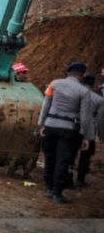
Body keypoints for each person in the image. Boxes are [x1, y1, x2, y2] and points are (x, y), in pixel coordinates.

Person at [38, 62, 93, 203]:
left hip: (50, 126)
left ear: (69, 73)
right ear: (81, 75)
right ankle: (57, 194)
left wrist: (42, 124)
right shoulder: (84, 91)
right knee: (62, 161)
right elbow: (85, 116)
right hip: (68, 130)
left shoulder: (54, 84)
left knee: (49, 158)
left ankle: (48, 188)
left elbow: (46, 106)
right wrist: (86, 136)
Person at [75, 74, 103, 187]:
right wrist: (101, 134)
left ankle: (67, 176)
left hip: (74, 126)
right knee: (86, 156)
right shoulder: (99, 99)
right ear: (93, 84)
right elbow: (101, 119)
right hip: (89, 131)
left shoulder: (76, 94)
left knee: (70, 153)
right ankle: (80, 180)